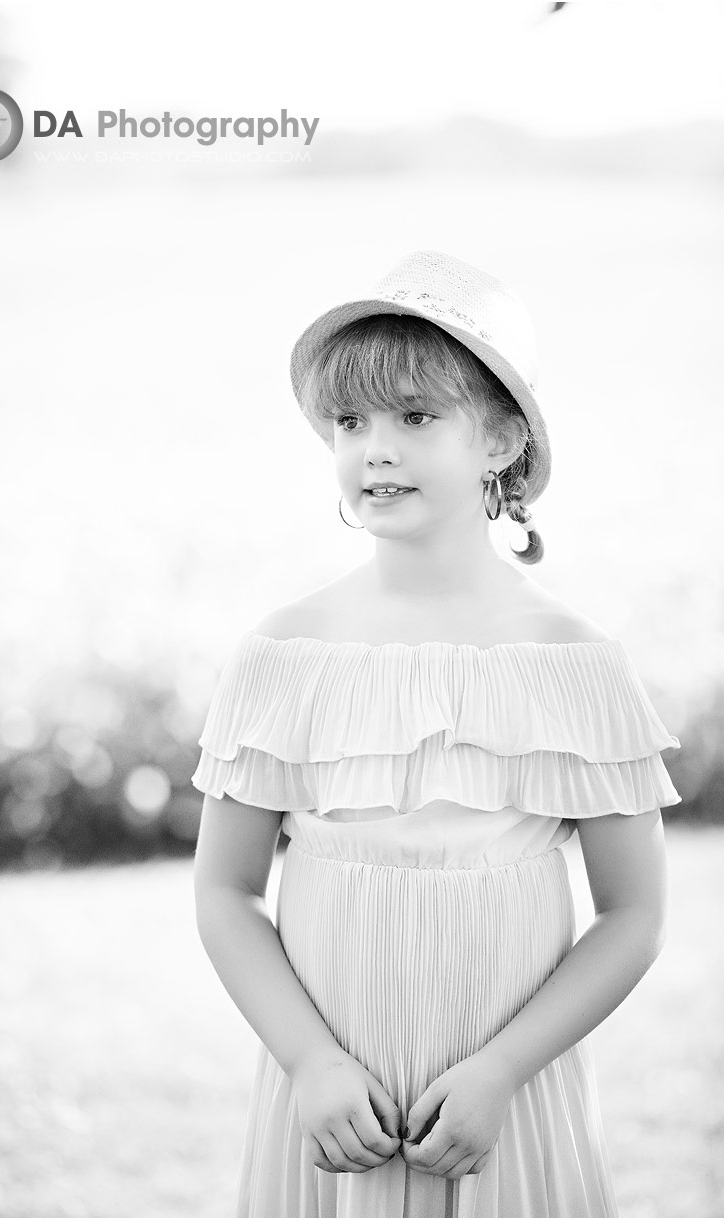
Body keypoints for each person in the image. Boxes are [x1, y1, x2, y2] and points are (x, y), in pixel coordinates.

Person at [191, 250, 682, 1218]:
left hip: (507, 1095)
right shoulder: (285, 654)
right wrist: (312, 1060)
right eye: (351, 420)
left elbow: (633, 915)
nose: (377, 448)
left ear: (500, 440)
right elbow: (225, 887)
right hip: (335, 1099)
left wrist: (501, 1069)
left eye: (416, 417)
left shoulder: (573, 661)